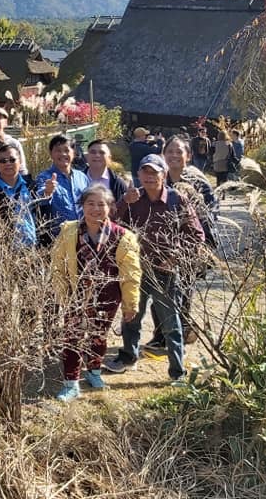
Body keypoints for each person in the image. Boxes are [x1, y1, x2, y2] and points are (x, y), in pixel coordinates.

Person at [105, 154, 205, 384]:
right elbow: (110, 225)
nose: (150, 177)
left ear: (164, 175)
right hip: (136, 270)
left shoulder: (176, 199)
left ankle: (177, 371)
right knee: (131, 315)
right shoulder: (133, 198)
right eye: (145, 172)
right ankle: (129, 356)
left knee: (171, 323)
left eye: (155, 172)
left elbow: (196, 234)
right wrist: (122, 203)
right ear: (139, 174)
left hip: (166, 273)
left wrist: (175, 257)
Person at [51, 184, 142, 401]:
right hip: (77, 295)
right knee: (72, 337)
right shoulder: (69, 231)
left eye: (101, 204)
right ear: (82, 206)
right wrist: (63, 295)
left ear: (110, 207)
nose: (95, 209)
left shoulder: (123, 237)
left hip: (108, 297)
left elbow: (131, 273)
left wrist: (131, 304)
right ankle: (71, 382)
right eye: (90, 203)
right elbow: (58, 265)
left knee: (98, 336)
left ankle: (94, 371)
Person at [141, 135, 219, 352]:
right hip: (159, 246)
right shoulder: (156, 178)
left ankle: (180, 333)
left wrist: (196, 245)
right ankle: (160, 335)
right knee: (158, 291)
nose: (174, 155)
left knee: (182, 291)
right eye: (170, 151)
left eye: (179, 152)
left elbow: (209, 216)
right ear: (163, 155)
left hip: (187, 248)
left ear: (189, 156)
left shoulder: (198, 182)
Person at [0, 142, 41, 248]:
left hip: (32, 248)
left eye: (12, 160)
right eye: (3, 161)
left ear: (20, 161)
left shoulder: (31, 185)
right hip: (4, 251)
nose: (8, 164)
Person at [34, 134, 90, 241]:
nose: (63, 154)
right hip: (57, 238)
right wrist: (47, 192)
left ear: (74, 153)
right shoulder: (44, 177)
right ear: (51, 153)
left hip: (83, 237)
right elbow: (39, 198)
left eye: (66, 150)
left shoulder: (82, 177)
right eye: (58, 150)